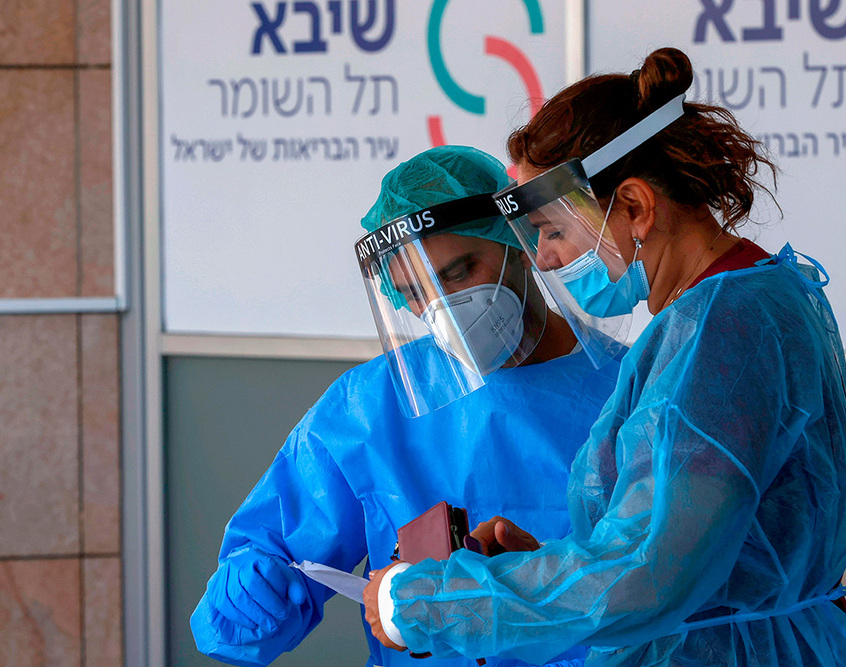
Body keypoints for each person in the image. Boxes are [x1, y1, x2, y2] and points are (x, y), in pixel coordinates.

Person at [364, 48, 846, 666]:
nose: (547, 260)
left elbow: (648, 574)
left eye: (553, 231)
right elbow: (686, 545)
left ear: (635, 207)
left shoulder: (724, 330)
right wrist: (535, 568)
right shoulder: (730, 307)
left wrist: (425, 602)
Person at [190, 145, 623, 667]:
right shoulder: (371, 409)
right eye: (416, 291)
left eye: (461, 271)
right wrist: (253, 588)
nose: (443, 307)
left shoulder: (631, 389)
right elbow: (256, 583)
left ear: (520, 242)